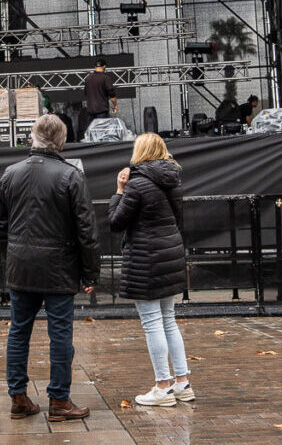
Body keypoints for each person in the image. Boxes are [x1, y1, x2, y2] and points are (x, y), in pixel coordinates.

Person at [0, 114, 100, 422]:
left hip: (21, 267)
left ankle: (18, 398)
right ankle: (59, 401)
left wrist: (11, 255)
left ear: (33, 137)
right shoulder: (71, 176)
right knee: (61, 335)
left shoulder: (11, 173)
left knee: (18, 332)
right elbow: (87, 230)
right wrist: (90, 272)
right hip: (59, 269)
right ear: (61, 142)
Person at [108, 133, 194, 407]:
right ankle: (182, 383)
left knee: (152, 322)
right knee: (168, 319)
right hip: (171, 253)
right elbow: (177, 220)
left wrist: (119, 191)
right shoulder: (173, 180)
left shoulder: (137, 184)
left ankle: (162, 387)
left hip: (146, 258)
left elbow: (116, 222)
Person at [83, 59, 117, 124]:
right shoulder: (105, 78)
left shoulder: (88, 78)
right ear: (104, 66)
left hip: (90, 111)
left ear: (95, 67)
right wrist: (115, 105)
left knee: (92, 129)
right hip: (101, 110)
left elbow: (86, 93)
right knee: (101, 129)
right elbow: (111, 93)